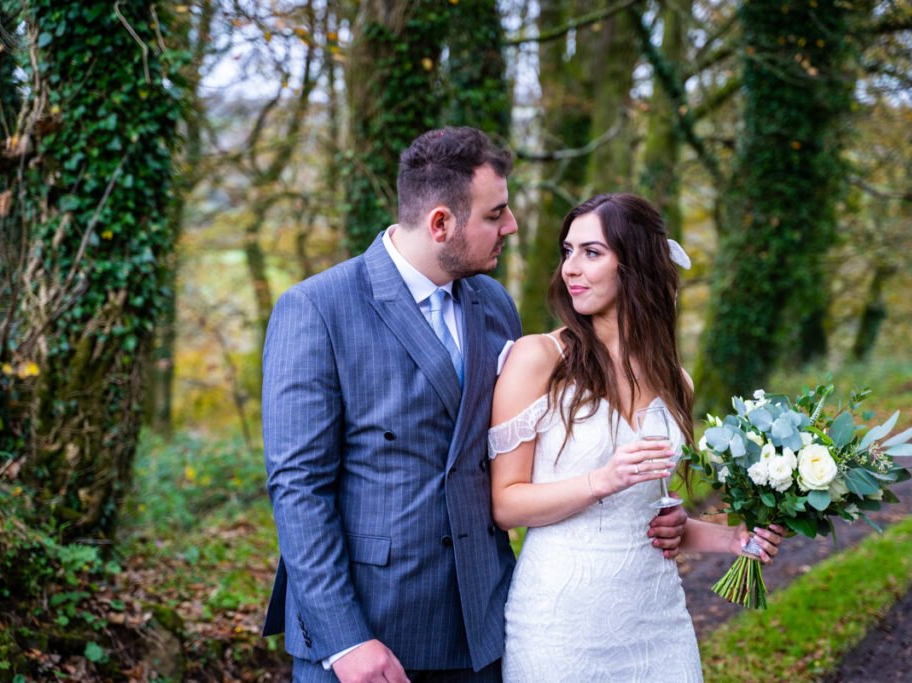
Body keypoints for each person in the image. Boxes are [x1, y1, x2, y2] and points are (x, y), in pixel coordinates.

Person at [261, 129, 688, 683]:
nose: (511, 226)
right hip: (370, 628)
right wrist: (345, 641)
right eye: (496, 214)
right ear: (441, 223)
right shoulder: (317, 308)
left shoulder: (492, 304)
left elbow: (532, 454)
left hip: (481, 621)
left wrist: (645, 513)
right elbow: (298, 489)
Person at [489, 193, 786, 682]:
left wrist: (731, 537)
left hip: (657, 621)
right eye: (567, 252)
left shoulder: (676, 382)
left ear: (636, 263)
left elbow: (651, 518)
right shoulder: (538, 359)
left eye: (591, 252)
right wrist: (601, 481)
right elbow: (506, 503)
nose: (570, 269)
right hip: (560, 624)